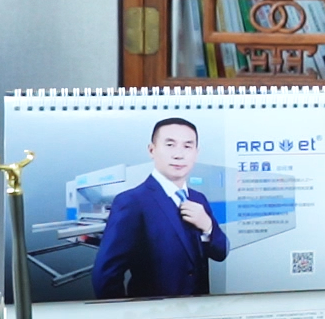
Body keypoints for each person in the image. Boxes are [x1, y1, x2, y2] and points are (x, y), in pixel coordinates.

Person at [91, 117, 230, 299]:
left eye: (187, 146)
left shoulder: (198, 199)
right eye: (170, 145)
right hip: (154, 312)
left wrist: (208, 227)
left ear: (196, 153)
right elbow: (106, 275)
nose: (179, 155)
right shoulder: (132, 201)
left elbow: (221, 252)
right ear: (152, 150)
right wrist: (129, 314)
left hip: (199, 311)